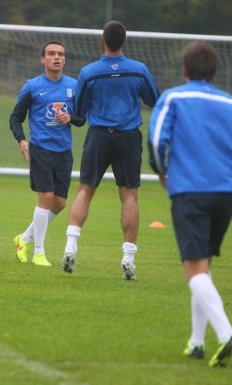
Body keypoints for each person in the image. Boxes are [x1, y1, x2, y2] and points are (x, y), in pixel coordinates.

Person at [149, 41, 232, 367]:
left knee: (194, 271)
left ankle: (226, 334)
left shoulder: (174, 97)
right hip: (226, 194)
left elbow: (156, 141)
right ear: (215, 72)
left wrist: (162, 170)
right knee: (204, 266)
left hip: (190, 190)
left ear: (184, 71)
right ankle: (196, 342)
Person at [61, 20, 159, 279]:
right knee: (129, 196)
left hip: (99, 136)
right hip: (128, 138)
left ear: (102, 41)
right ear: (125, 41)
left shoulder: (89, 72)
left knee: (85, 190)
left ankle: (70, 247)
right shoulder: (138, 70)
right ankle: (128, 258)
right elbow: (153, 100)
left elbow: (79, 113)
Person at [9, 41, 84, 266]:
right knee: (46, 198)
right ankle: (38, 253)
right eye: (51, 54)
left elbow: (82, 119)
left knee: (59, 203)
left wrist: (71, 117)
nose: (56, 57)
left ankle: (23, 239)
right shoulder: (32, 86)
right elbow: (15, 117)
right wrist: (21, 140)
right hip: (41, 148)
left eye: (60, 54)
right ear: (43, 59)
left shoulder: (73, 86)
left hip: (64, 152)